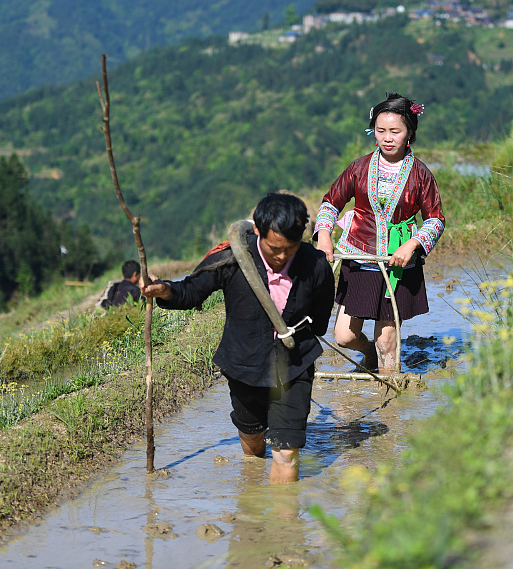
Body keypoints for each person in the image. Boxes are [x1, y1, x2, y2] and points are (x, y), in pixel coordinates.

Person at [141, 193, 334, 484]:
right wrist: (164, 290)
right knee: (253, 440)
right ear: (257, 231)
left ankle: (281, 527)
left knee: (285, 452)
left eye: (290, 248)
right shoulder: (231, 261)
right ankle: (252, 497)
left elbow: (319, 321)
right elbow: (191, 291)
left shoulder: (316, 265)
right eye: (274, 248)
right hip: (245, 365)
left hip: (294, 367)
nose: (281, 256)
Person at [315, 92, 444, 374]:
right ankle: (368, 355)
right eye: (381, 130)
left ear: (409, 132)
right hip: (359, 258)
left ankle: (389, 405)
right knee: (344, 337)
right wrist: (324, 234)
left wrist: (413, 243)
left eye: (395, 131)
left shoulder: (421, 175)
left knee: (386, 342)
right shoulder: (358, 169)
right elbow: (330, 203)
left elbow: (435, 220)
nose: (387, 137)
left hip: (397, 264)